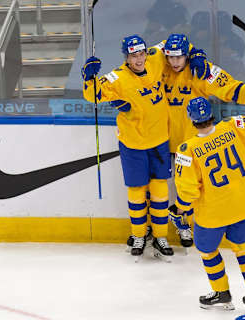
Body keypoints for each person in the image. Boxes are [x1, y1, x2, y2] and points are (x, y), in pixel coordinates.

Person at [173, 95, 245, 314]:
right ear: (212, 114)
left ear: (191, 119)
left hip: (212, 213)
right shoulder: (233, 126)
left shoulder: (186, 150)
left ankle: (221, 293)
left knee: (208, 252)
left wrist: (179, 209)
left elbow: (188, 192)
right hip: (241, 205)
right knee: (244, 249)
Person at [162, 33, 245, 249]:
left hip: (194, 145)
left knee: (198, 188)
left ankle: (186, 221)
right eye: (171, 57)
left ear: (186, 55)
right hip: (162, 140)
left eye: (180, 57)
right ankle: (164, 225)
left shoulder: (200, 69)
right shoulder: (158, 67)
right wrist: (195, 50)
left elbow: (228, 86)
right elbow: (142, 57)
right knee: (163, 187)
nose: (175, 62)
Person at [81, 34, 175, 262]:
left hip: (160, 140)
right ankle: (139, 235)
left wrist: (197, 56)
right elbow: (93, 95)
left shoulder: (155, 58)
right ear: (127, 56)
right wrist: (88, 77)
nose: (139, 59)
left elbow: (174, 42)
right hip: (133, 144)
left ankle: (161, 236)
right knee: (136, 190)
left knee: (160, 190)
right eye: (134, 55)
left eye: (141, 53)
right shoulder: (117, 77)